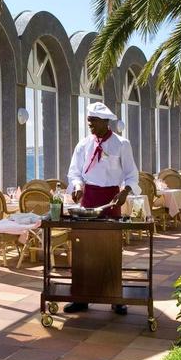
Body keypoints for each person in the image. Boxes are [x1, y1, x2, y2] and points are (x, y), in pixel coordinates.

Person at [65, 101, 140, 314]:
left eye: (94, 121)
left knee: (111, 249)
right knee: (83, 249)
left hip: (111, 199)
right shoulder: (83, 145)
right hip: (87, 199)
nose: (90, 124)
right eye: (88, 120)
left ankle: (115, 298)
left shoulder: (121, 144)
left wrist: (125, 192)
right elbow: (74, 172)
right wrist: (78, 186)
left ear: (106, 122)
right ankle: (81, 297)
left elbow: (131, 174)